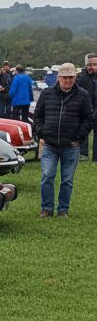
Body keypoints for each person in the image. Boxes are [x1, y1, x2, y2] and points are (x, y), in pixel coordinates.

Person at [34, 62, 92, 217]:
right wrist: (41, 134)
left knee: (67, 179)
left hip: (71, 146)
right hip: (50, 145)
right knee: (47, 176)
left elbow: (88, 119)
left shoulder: (83, 95)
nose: (68, 80)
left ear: (75, 77)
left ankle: (63, 209)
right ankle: (46, 208)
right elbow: (38, 116)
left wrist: (78, 137)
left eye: (71, 77)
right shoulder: (46, 93)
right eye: (65, 77)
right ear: (58, 77)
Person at [76, 54, 97, 160]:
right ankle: (83, 154)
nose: (91, 67)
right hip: (85, 110)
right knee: (83, 132)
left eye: (94, 64)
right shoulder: (81, 78)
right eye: (89, 65)